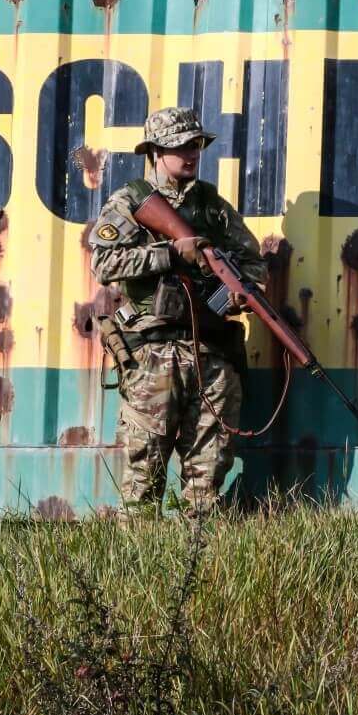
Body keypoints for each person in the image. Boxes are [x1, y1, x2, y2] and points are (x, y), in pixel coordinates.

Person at [89, 106, 267, 515]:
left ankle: (198, 553)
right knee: (142, 479)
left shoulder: (212, 206)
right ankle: (137, 555)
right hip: (152, 354)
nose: (190, 153)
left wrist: (239, 292)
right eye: (179, 146)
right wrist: (168, 253)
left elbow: (253, 264)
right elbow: (104, 264)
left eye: (196, 145)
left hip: (210, 353)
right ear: (155, 151)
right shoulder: (130, 201)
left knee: (208, 477)